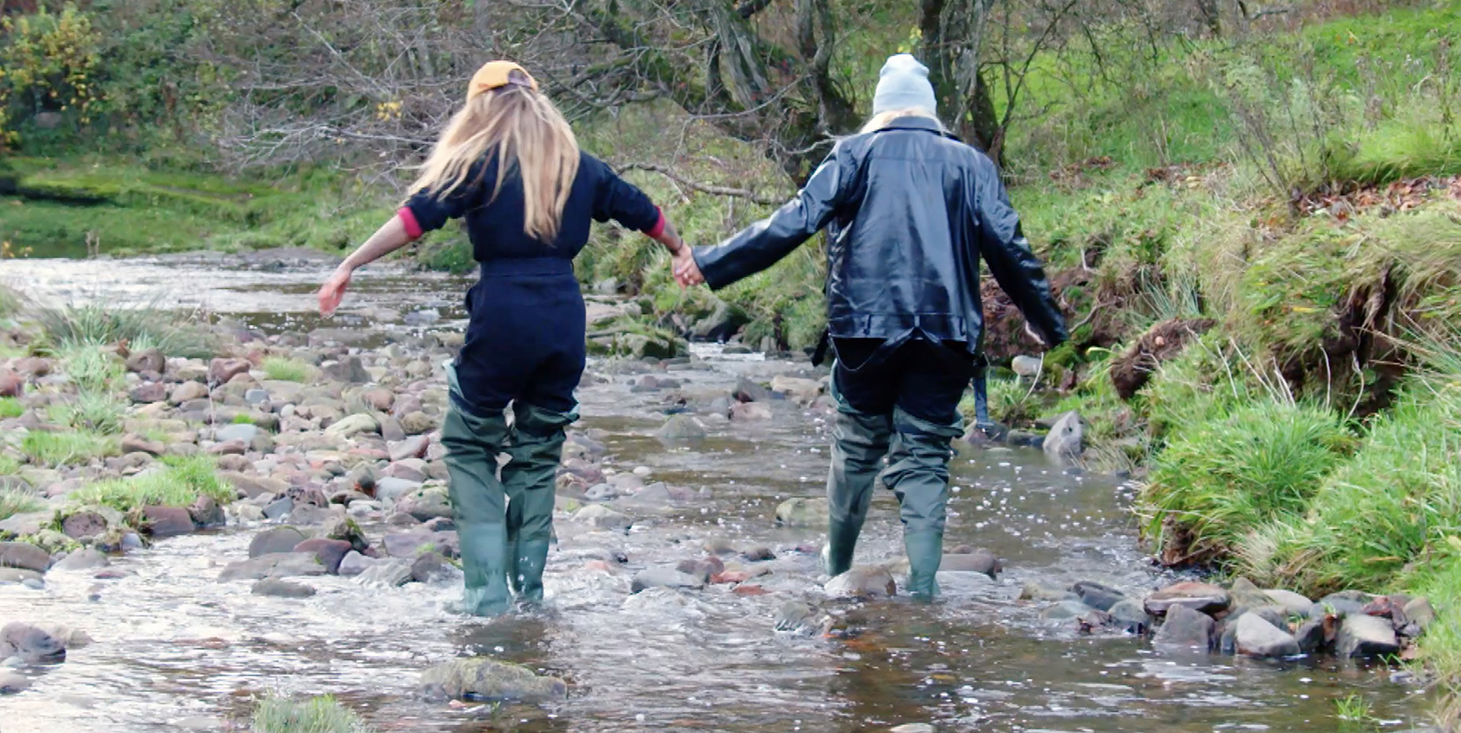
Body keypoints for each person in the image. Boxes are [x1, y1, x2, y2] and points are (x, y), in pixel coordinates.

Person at [673, 54, 1068, 601]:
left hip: (863, 329)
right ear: (929, 111)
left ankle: (836, 573)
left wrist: (712, 261)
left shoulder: (852, 155)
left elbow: (791, 223)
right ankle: (924, 593)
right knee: (925, 456)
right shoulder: (971, 164)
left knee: (857, 447)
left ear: (880, 111)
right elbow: (1011, 249)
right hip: (947, 332)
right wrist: (1047, 323)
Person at [318, 61, 692, 616]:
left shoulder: (476, 165)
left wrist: (349, 263)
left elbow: (413, 220)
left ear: (481, 110)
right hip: (565, 318)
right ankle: (530, 595)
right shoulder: (580, 168)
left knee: (470, 445)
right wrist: (681, 250)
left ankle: (487, 595)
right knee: (538, 456)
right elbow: (647, 213)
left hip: (503, 315)